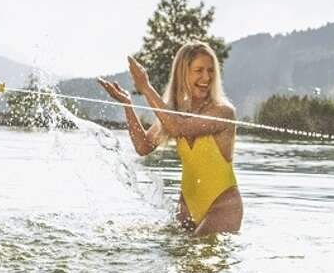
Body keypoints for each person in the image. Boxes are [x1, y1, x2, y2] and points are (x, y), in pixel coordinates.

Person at [97, 41, 243, 234]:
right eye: (199, 70)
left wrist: (146, 88)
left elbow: (177, 127)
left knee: (198, 257)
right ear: (183, 74)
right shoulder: (174, 112)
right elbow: (143, 146)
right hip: (187, 208)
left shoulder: (224, 111)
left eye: (211, 70)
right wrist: (127, 104)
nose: (206, 77)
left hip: (222, 207)